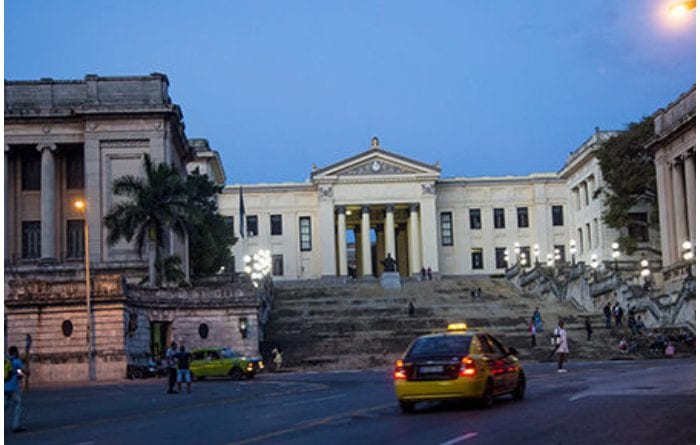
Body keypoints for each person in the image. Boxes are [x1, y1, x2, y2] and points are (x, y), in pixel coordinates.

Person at [5, 345, 29, 433]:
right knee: (18, 405)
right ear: (15, 352)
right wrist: (27, 372)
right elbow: (23, 371)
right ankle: (16, 425)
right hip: (13, 387)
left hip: (4, 387)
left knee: (4, 405)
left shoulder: (5, 361)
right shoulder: (16, 361)